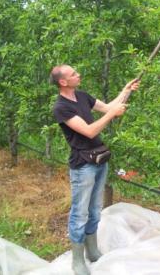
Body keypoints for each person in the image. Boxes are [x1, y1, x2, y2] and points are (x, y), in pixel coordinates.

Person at [50, 64, 140, 275]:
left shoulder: (82, 96)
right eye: (73, 74)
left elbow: (108, 107)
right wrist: (113, 114)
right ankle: (77, 260)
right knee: (79, 213)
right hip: (83, 166)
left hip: (99, 161)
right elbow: (90, 131)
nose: (78, 74)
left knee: (94, 210)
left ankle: (92, 251)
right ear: (63, 82)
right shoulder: (61, 107)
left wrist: (126, 91)